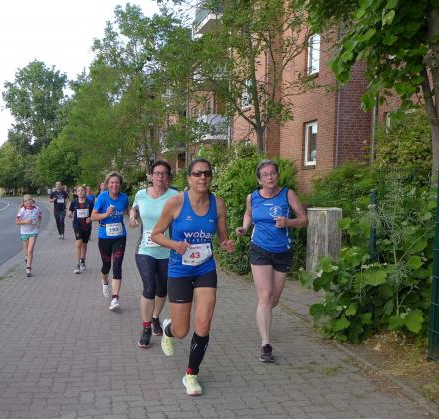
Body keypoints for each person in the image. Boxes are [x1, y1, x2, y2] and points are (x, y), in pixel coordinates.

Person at [151, 158, 235, 396]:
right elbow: (156, 234)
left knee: (204, 324)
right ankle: (168, 329)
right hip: (179, 270)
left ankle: (191, 374)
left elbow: (222, 237)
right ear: (188, 178)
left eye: (207, 173)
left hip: (205, 269)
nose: (202, 178)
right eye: (197, 173)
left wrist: (226, 244)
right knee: (181, 331)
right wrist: (174, 244)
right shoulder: (176, 202)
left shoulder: (218, 204)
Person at [236, 159, 308, 363]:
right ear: (259, 180)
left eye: (273, 173)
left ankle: (263, 314)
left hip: (282, 251)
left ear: (278, 175)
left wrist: (288, 222)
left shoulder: (288, 194)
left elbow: (304, 220)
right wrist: (245, 227)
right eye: (265, 174)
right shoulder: (252, 197)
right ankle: (266, 344)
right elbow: (248, 214)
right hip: (259, 249)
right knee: (265, 295)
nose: (270, 177)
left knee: (272, 300)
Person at [129, 160, 176, 349]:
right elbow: (134, 208)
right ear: (151, 175)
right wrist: (132, 217)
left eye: (163, 173)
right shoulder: (141, 194)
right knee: (149, 288)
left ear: (168, 177)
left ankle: (156, 317)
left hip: (166, 251)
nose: (160, 176)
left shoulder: (175, 196)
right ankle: (146, 328)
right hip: (145, 249)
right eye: (157, 173)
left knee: (162, 290)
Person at [91, 172, 129, 311]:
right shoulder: (102, 197)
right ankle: (105, 281)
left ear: (120, 184)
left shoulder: (124, 198)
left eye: (117, 182)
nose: (114, 185)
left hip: (120, 236)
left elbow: (128, 210)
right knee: (106, 266)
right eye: (112, 182)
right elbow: (93, 216)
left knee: (117, 266)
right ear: (107, 184)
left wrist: (133, 218)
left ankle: (115, 298)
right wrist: (106, 214)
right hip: (104, 237)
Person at [68, 185, 93, 273]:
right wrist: (69, 214)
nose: (80, 192)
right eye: (79, 191)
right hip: (77, 225)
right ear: (76, 192)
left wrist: (90, 218)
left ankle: (83, 261)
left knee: (84, 244)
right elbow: (70, 211)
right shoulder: (74, 202)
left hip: (87, 226)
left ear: (85, 192)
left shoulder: (90, 202)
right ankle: (77, 265)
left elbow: (94, 213)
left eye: (82, 190)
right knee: (78, 243)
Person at [16, 194, 42, 277]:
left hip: (33, 231)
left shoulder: (37, 209)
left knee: (30, 250)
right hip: (24, 232)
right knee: (26, 252)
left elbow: (40, 216)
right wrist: (25, 221)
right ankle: (26, 257)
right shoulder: (22, 210)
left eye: (29, 200)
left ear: (32, 201)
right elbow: (17, 222)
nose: (28, 202)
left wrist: (39, 223)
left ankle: (28, 268)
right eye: (25, 201)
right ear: (23, 202)